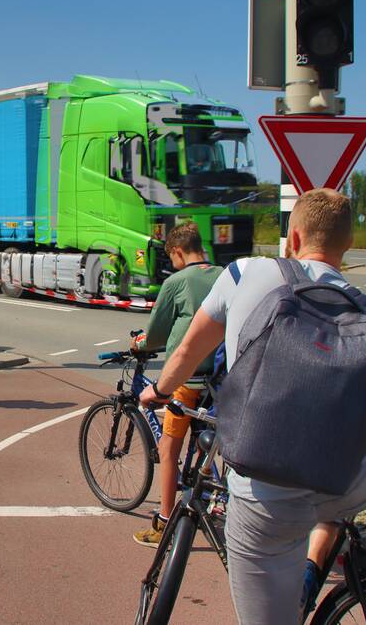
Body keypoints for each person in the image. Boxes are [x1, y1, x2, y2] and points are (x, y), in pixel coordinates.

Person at [140, 189, 366, 624]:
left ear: (293, 238)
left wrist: (160, 391)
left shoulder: (245, 274)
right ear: (348, 244)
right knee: (347, 479)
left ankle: (294, 598)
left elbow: (186, 352)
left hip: (268, 494)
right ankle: (312, 570)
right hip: (350, 481)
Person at [131, 223, 221, 547]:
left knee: (168, 449)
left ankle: (164, 523)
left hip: (186, 381)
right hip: (219, 378)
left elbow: (156, 334)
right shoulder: (224, 275)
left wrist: (140, 343)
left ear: (179, 252)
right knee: (209, 442)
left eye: (172, 257)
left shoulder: (176, 282)